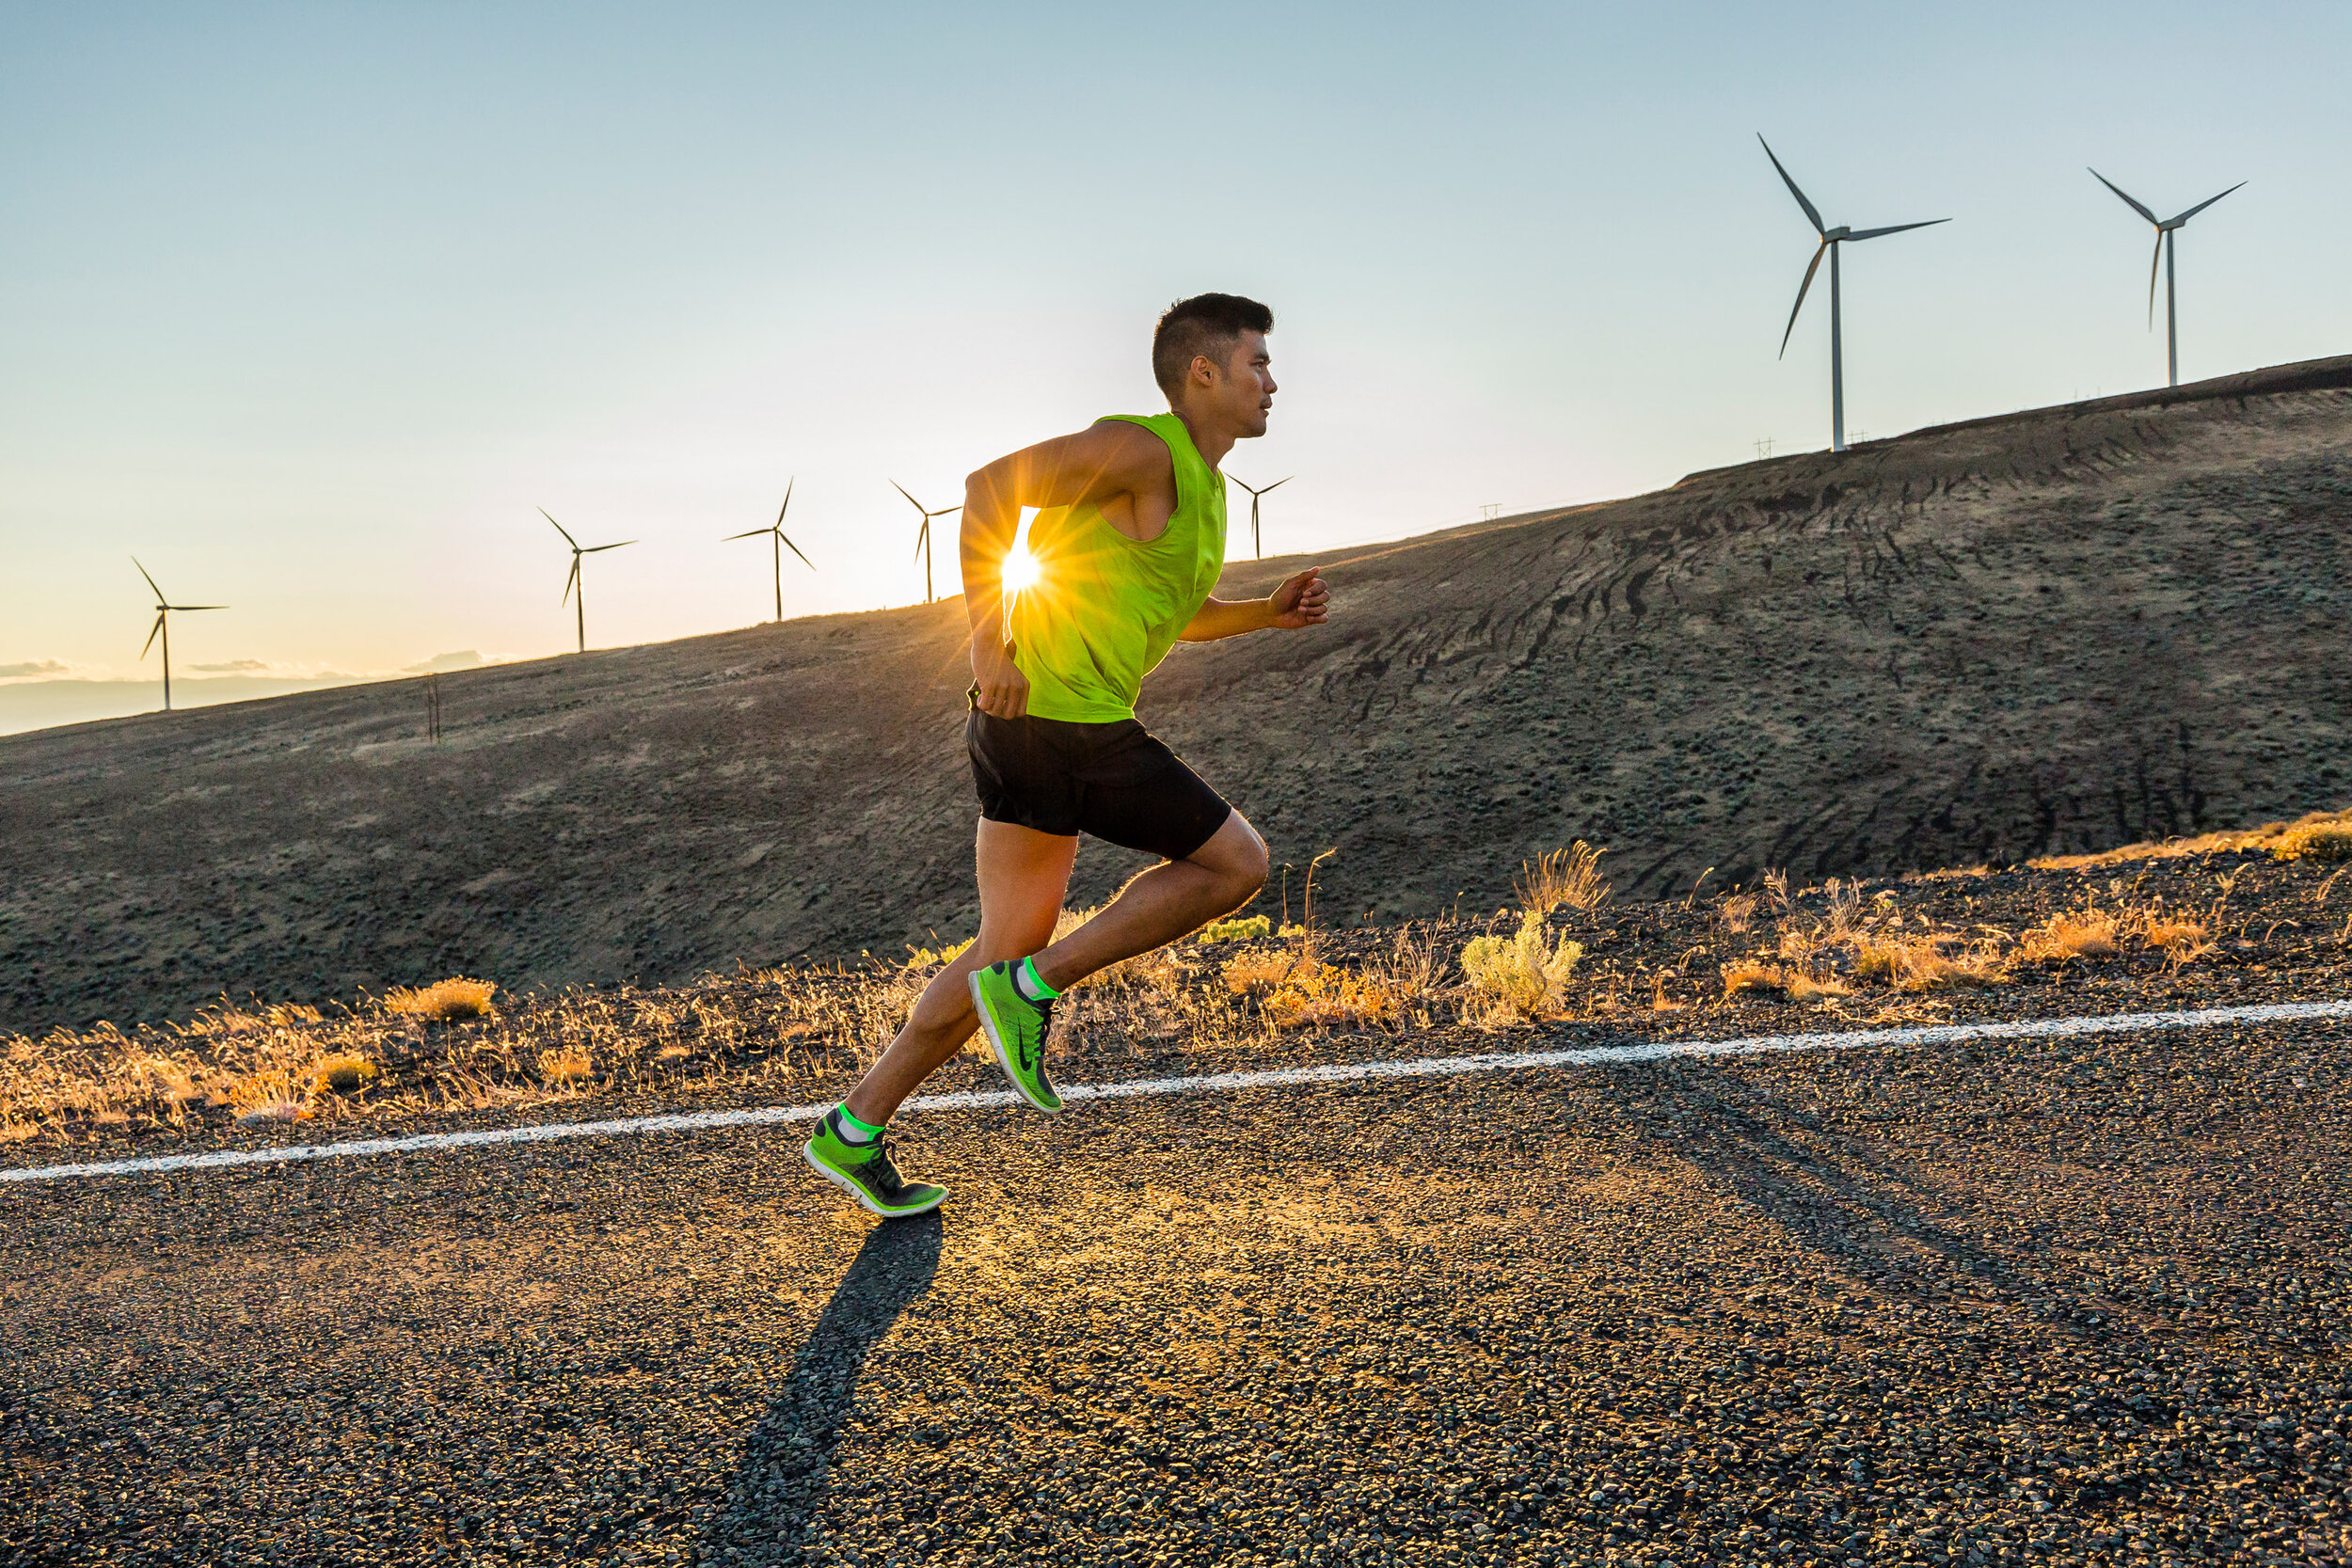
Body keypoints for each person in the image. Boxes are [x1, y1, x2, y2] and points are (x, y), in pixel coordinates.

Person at [803, 293, 1331, 1216]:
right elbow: (986, 486)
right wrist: (983, 641)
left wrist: (1263, 613)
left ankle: (854, 1127)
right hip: (1057, 717)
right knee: (1237, 862)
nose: (1272, 382)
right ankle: (1036, 987)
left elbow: (1176, 613)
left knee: (999, 946)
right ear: (1201, 372)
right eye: (1257, 363)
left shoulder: (1203, 491)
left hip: (1029, 728)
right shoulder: (1141, 448)